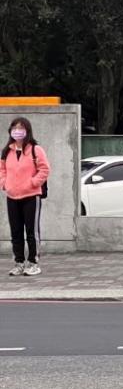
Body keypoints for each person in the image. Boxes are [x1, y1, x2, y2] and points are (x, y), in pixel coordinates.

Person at [0, 117, 50, 276]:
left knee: (31, 232)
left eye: (21, 128)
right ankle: (19, 262)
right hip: (12, 196)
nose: (17, 131)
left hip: (31, 196)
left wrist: (33, 183)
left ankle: (33, 262)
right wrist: (4, 184)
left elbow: (45, 169)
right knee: (15, 231)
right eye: (14, 127)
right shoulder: (7, 151)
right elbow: (2, 170)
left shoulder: (36, 149)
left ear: (27, 130)